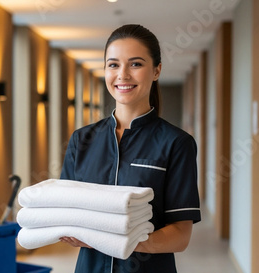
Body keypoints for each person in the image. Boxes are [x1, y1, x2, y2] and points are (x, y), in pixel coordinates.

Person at [59, 24, 201, 273]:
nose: (122, 75)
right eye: (113, 65)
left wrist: (113, 241)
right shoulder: (81, 140)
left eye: (135, 64)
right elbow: (67, 214)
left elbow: (180, 236)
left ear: (156, 70)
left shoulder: (176, 143)